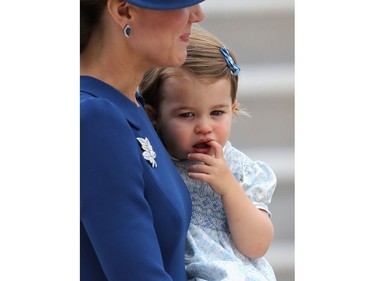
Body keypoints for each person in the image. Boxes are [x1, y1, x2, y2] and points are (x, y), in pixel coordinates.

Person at [139, 26, 277, 281]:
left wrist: (228, 188)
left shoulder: (242, 171)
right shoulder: (152, 162)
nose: (204, 127)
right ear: (153, 117)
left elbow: (256, 245)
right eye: (187, 115)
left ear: (232, 109)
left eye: (217, 113)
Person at [80, 1, 205, 280]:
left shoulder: (130, 103)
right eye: (182, 3)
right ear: (124, 10)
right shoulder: (95, 118)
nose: (197, 15)